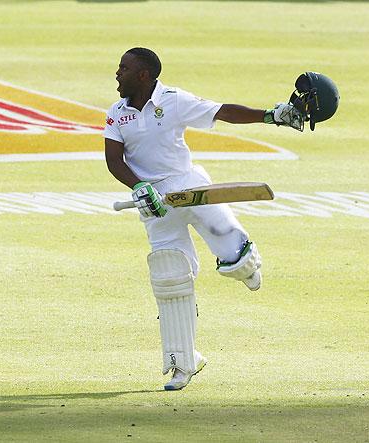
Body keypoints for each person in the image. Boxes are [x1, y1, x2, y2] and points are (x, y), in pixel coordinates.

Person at [103, 47, 303, 391]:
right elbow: (114, 159)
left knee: (234, 253)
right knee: (170, 275)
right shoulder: (116, 113)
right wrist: (139, 188)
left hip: (188, 184)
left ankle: (246, 263)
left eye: (123, 68)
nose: (116, 73)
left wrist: (270, 115)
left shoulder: (173, 100)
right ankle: (184, 362)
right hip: (154, 202)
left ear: (143, 75)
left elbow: (221, 111)